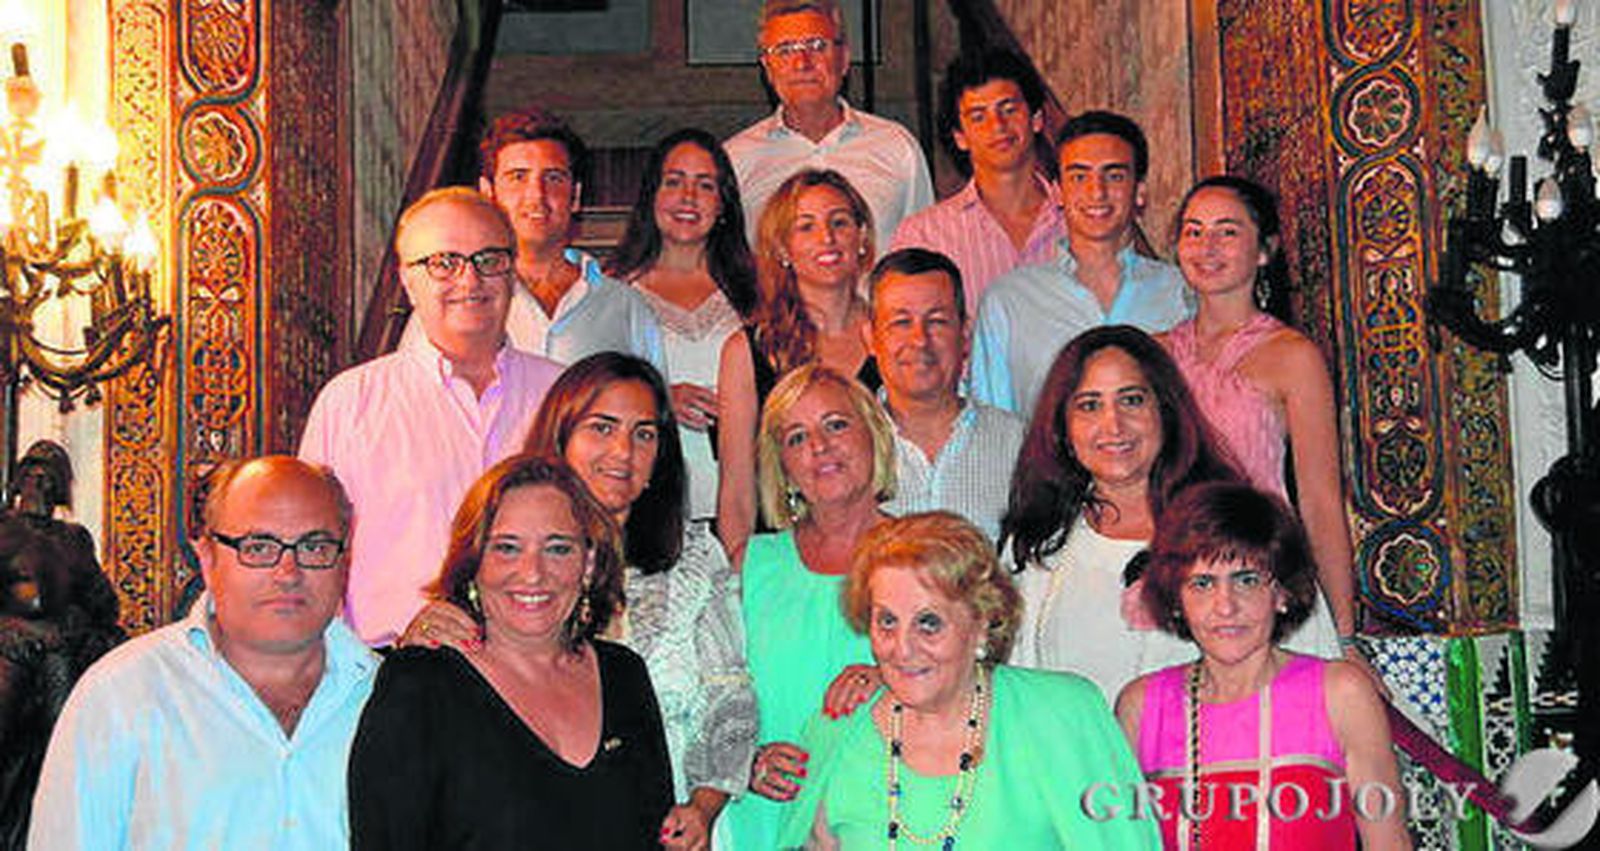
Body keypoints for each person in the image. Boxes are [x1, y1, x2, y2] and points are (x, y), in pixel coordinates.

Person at [400, 353, 758, 851]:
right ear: (561, 435)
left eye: (644, 434)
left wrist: (702, 805)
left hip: (674, 831)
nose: (623, 451)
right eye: (602, 428)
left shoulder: (693, 561)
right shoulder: (511, 570)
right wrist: (427, 631)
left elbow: (730, 700)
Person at [29, 456, 377, 849]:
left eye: (314, 546)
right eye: (258, 546)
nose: (288, 572)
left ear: (345, 560)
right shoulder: (122, 695)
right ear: (207, 558)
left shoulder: (387, 698)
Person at [779, 511, 1159, 849]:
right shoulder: (840, 728)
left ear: (981, 623)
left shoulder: (1063, 715)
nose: (902, 648)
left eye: (929, 624)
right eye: (887, 622)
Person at [349, 456, 673, 849]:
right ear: (474, 562)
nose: (533, 573)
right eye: (506, 548)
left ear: (587, 563)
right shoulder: (420, 683)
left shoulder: (624, 674)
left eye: (557, 548)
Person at [300, 187, 564, 646]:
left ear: (513, 269)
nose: (470, 280)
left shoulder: (564, 396)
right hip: (393, 669)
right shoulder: (351, 404)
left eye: (489, 259)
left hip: (540, 670)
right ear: (407, 278)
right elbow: (310, 555)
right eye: (444, 262)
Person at [1117, 482, 1410, 850]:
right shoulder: (1142, 706)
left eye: (1247, 580)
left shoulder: (1340, 693)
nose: (1226, 606)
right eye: (1203, 583)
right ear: (1177, 600)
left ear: (1282, 593)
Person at [1163, 175, 1367, 669]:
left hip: (1264, 576)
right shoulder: (1155, 353)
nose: (1207, 247)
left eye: (1227, 232)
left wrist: (1345, 635)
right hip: (1180, 580)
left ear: (1264, 249)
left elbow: (1319, 498)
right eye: (1194, 231)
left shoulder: (1292, 356)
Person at [1003, 326, 1246, 700]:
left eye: (1131, 400)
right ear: (1063, 428)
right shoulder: (1036, 545)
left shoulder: (1236, 532)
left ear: (1165, 411)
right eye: (1089, 405)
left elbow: (1300, 675)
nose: (1113, 425)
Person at [720, 365, 892, 850]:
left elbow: (980, 686)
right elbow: (707, 705)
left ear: (873, 432)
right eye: (797, 437)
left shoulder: (928, 555)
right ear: (782, 465)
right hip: (764, 824)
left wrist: (896, 680)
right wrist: (746, 761)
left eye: (836, 424)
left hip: (886, 821)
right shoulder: (751, 565)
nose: (820, 447)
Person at [404, 107, 666, 371]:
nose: (536, 195)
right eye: (518, 177)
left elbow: (652, 406)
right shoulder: (447, 301)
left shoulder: (626, 308)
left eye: (553, 178)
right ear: (488, 194)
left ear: (575, 197)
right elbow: (411, 401)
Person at [972, 111, 1190, 419]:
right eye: (1079, 177)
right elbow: (992, 427)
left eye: (1114, 176)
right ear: (1058, 192)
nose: (1096, 192)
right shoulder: (1008, 302)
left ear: (1140, 190)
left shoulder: (1182, 294)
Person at [716, 169, 882, 560]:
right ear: (783, 249)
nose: (827, 238)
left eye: (839, 222)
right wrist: (743, 577)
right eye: (805, 227)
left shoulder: (892, 334)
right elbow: (738, 487)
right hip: (786, 559)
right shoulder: (745, 350)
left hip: (881, 553)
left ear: (862, 237)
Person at [609, 128, 759, 525]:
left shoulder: (757, 292)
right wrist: (657, 401)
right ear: (651, 196)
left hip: (745, 499)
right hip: (648, 502)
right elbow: (593, 394)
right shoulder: (612, 292)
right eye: (673, 182)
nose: (688, 198)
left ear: (723, 202)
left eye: (705, 185)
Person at [726, 0, 933, 251]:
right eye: (785, 50)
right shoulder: (736, 160)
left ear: (844, 58)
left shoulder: (897, 148)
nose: (802, 63)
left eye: (816, 46)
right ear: (768, 69)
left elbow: (924, 258)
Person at [0, 442, 124, 850]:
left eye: (50, 474)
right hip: (10, 653)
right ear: (18, 479)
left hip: (61, 657)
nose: (40, 481)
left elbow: (103, 605)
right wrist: (16, 629)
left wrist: (76, 627)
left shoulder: (73, 540)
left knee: (67, 756)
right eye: (33, 471)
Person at [889, 49, 1064, 313]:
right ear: (960, 136)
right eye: (979, 116)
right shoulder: (924, 236)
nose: (998, 125)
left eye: (1009, 109)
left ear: (1037, 119)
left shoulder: (1080, 220)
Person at [868, 248, 1024, 541]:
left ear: (964, 334)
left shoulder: (1017, 443)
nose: (919, 339)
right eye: (901, 322)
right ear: (871, 338)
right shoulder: (847, 448)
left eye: (937, 321)